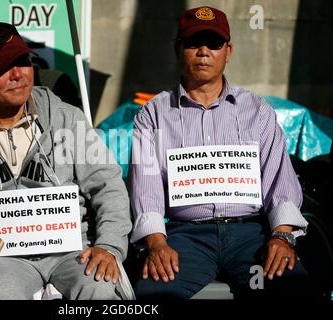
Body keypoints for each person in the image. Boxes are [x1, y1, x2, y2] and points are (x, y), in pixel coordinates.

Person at [0, 22, 132, 300]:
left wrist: (109, 246)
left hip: (73, 251)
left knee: (99, 288)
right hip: (3, 256)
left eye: (23, 61)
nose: (18, 75)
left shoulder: (67, 118)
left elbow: (108, 186)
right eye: (3, 66)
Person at [128, 6, 315, 299]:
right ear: (178, 48)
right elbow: (146, 190)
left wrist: (282, 236)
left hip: (251, 236)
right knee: (152, 294)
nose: (204, 52)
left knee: (293, 289)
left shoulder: (257, 109)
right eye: (193, 43)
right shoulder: (153, 114)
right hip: (185, 237)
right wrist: (156, 243)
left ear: (228, 52)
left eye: (214, 44)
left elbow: (280, 181)